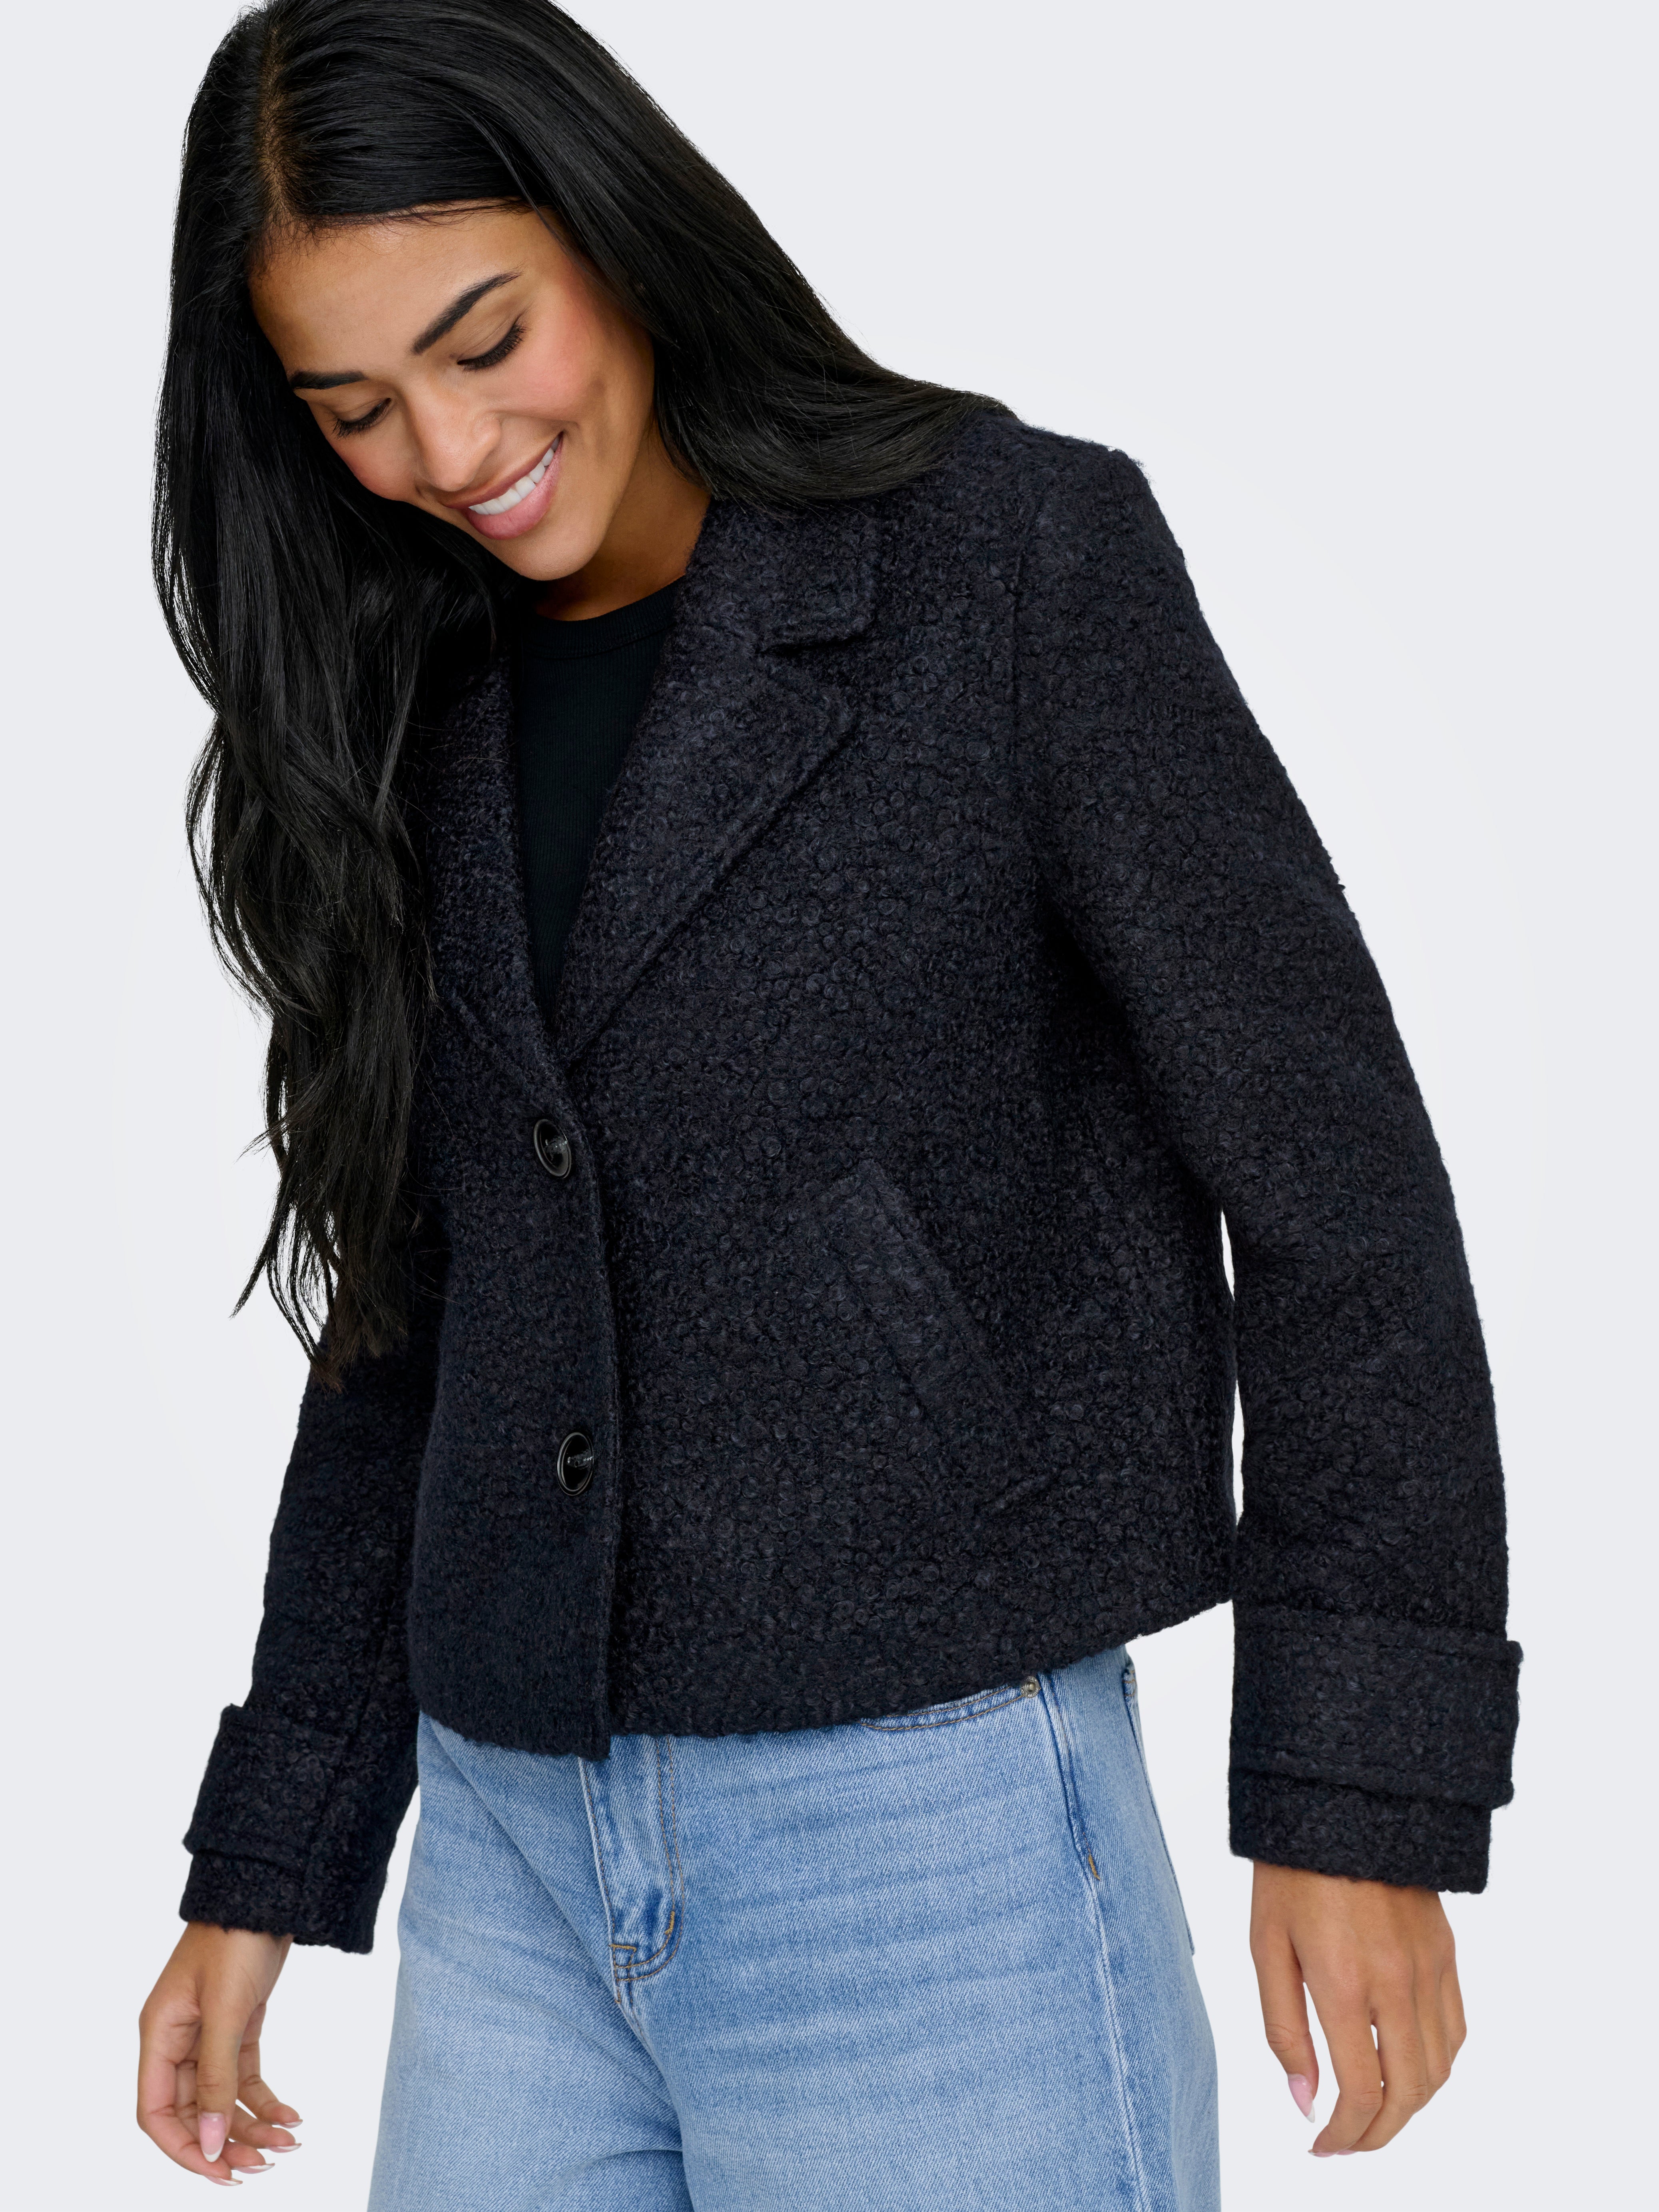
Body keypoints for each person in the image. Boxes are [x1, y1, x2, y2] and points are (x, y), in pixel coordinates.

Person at [134, 2, 1522, 2204]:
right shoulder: (398, 685)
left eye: (486, 340)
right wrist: (272, 1857)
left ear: (614, 229)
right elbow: (412, 1318)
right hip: (505, 1854)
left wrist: (1358, 1796)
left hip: (928, 1844)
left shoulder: (1008, 562)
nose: (450, 447)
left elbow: (1332, 1181)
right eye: (356, 408)